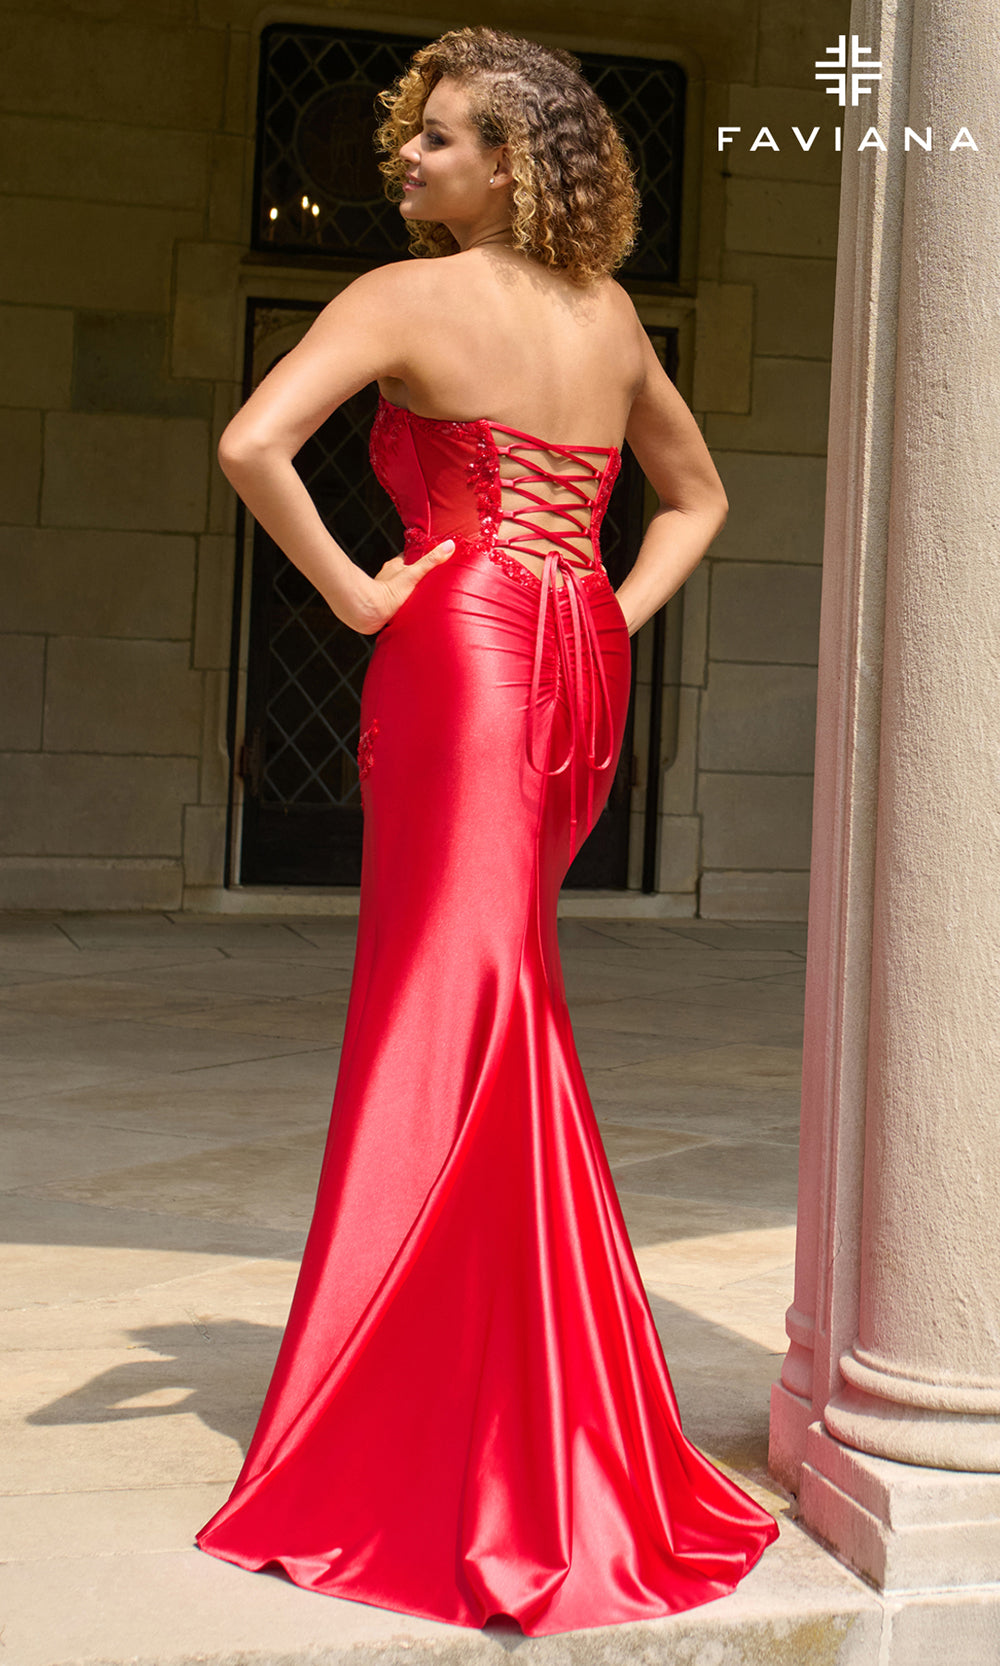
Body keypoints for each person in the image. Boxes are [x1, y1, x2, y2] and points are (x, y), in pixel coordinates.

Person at [197, 25, 778, 1635]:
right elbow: (698, 496)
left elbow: (252, 443)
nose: (407, 161)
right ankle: (520, 1392)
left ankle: (433, 1407)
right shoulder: (608, 321)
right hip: (573, 657)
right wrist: (612, 607)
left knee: (448, 1003)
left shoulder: (399, 301)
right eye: (410, 137)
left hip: (458, 654)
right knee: (491, 993)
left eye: (439, 140)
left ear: (519, 163)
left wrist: (360, 590)